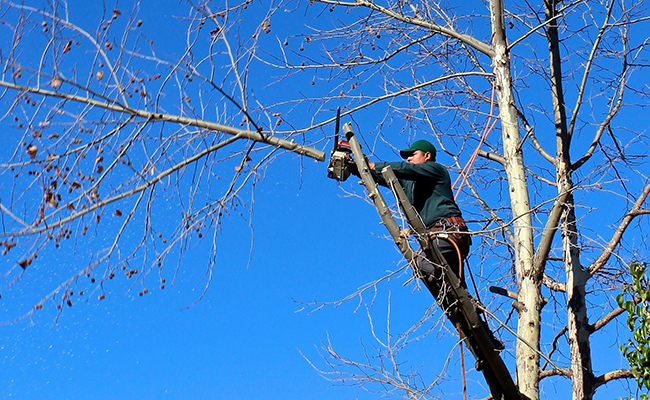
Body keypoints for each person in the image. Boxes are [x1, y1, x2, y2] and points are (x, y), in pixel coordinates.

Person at [363, 139, 471, 282]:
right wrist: (359, 167)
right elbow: (384, 176)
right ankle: (463, 302)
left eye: (413, 154)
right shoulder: (409, 182)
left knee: (424, 265)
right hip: (434, 238)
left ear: (427, 156)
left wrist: (374, 165)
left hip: (449, 232)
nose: (409, 159)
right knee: (448, 295)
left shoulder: (436, 169)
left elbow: (406, 169)